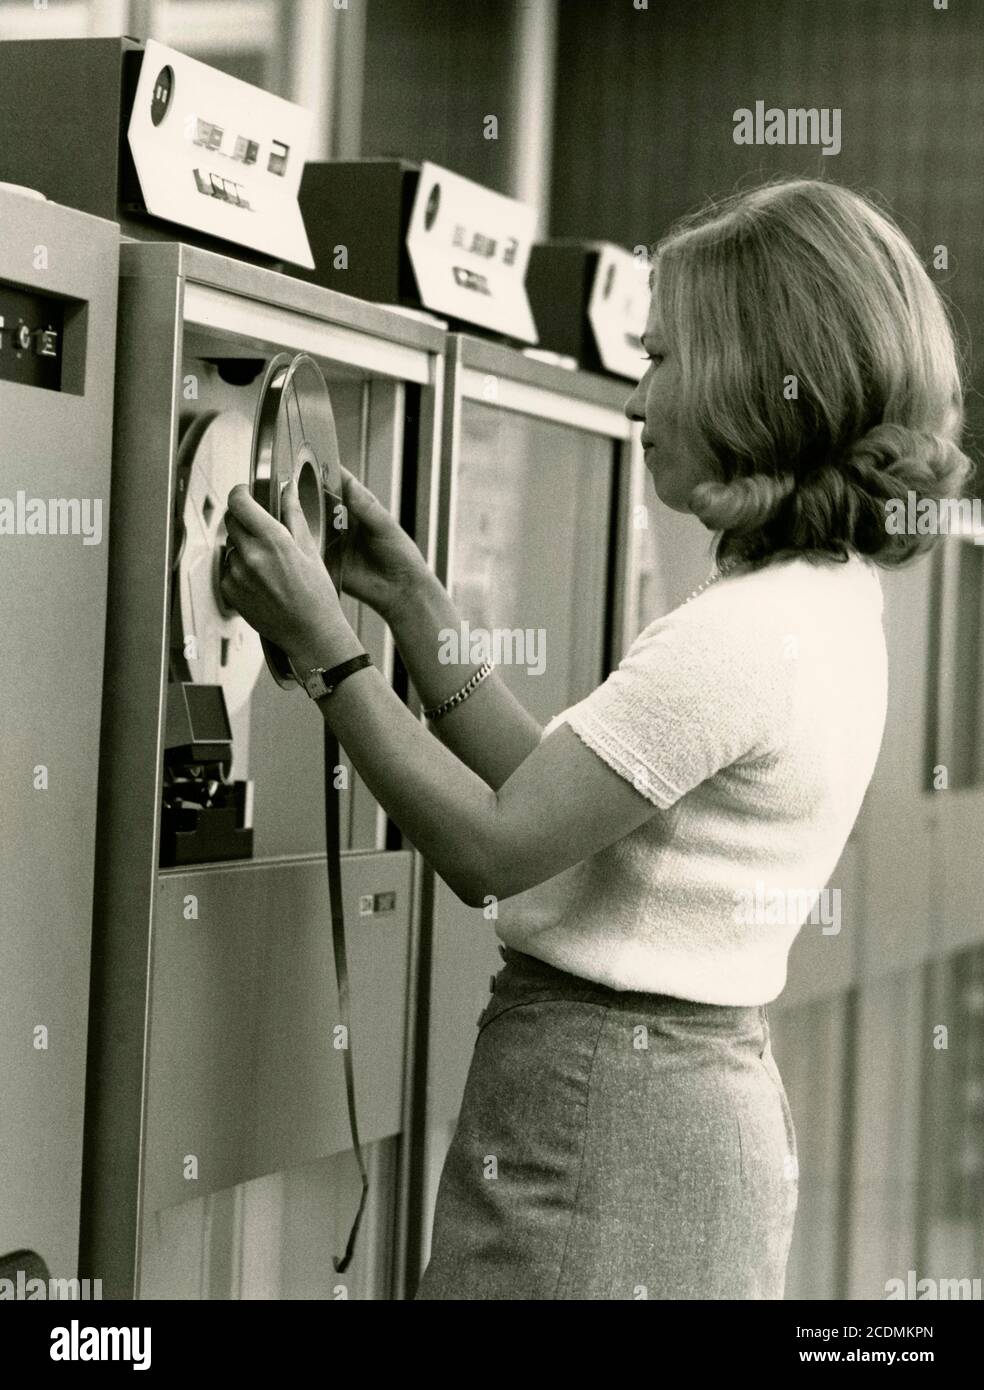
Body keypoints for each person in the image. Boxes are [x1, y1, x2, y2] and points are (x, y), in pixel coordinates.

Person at [220, 177, 973, 1300]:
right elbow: (558, 797)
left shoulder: (742, 634)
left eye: (661, 360)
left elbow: (492, 845)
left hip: (603, 1122)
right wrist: (420, 615)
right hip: (678, 1104)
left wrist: (329, 655)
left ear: (750, 379)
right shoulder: (822, 601)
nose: (635, 405)